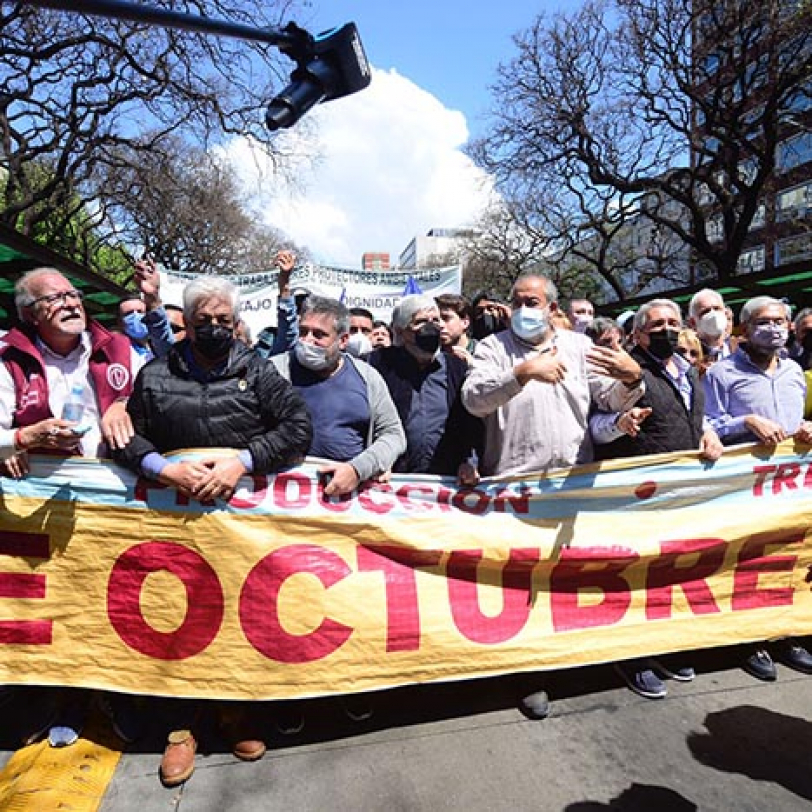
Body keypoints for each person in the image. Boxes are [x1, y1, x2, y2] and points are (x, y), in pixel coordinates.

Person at [113, 275, 312, 787]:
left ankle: (234, 714)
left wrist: (241, 463)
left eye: (225, 321)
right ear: (188, 321)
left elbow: (296, 430)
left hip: (238, 529)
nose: (217, 328)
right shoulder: (155, 374)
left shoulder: (258, 369)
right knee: (179, 621)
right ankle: (181, 727)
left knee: (238, 620)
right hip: (172, 526)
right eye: (206, 322)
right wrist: (161, 467)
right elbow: (124, 439)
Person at [461, 274, 645, 719]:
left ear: (551, 307)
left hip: (572, 487)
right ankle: (528, 674)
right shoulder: (491, 349)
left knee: (566, 582)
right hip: (514, 490)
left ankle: (564, 659)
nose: (527, 308)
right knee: (521, 586)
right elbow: (474, 400)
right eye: (520, 301)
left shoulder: (579, 347)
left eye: (535, 301)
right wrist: (522, 372)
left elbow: (609, 397)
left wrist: (632, 379)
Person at [0, 267, 145, 746]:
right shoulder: (7, 361)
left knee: (117, 603)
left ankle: (119, 694)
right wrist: (23, 438)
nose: (69, 303)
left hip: (114, 506)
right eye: (53, 298)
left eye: (72, 294)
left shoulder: (120, 351)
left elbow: (162, 406)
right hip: (40, 512)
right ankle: (62, 697)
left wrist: (126, 405)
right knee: (59, 608)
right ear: (28, 314)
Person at [270, 295, 406, 727]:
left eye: (319, 335)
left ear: (343, 340)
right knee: (287, 606)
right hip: (279, 513)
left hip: (346, 511)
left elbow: (392, 435)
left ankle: (348, 685)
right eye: (303, 332)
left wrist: (359, 468)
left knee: (345, 605)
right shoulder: (273, 371)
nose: (307, 341)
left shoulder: (367, 378)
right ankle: (289, 696)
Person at [590, 299, 724, 700]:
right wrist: (619, 423)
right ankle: (632, 655)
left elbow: (692, 417)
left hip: (679, 498)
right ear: (637, 334)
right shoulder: (621, 370)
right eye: (656, 324)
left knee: (670, 574)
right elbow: (595, 426)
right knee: (636, 576)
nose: (665, 330)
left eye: (672, 322)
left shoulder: (686, 370)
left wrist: (707, 431)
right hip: (635, 496)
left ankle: (662, 645)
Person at [704, 295, 812, 682]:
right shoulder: (721, 374)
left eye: (781, 321)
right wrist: (746, 421)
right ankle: (749, 641)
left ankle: (787, 635)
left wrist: (804, 429)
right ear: (745, 329)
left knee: (786, 562)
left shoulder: (795, 371)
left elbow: (797, 419)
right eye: (764, 322)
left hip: (791, 491)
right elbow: (706, 425)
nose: (775, 328)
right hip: (745, 490)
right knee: (749, 564)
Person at [369, 294, 482, 481]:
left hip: (445, 481)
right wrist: (378, 460)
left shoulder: (456, 368)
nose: (430, 328)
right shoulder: (378, 364)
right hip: (392, 480)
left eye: (435, 320)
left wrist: (469, 461)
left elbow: (469, 424)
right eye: (420, 322)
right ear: (400, 331)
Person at [688, 288, 736, 362]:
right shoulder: (688, 355)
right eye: (705, 311)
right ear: (693, 323)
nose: (713, 314)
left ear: (725, 314)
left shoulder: (742, 349)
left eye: (717, 308)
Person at [436, 292, 476, 366]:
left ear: (465, 323)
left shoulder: (485, 353)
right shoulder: (430, 356)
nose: (440, 325)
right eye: (436, 320)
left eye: (446, 318)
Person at [117, 294, 152, 360]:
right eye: (129, 313)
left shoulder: (162, 345)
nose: (135, 316)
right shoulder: (118, 350)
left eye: (140, 312)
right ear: (120, 322)